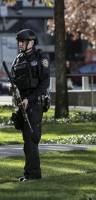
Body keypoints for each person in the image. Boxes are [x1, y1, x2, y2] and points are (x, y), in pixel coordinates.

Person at [11, 29, 50, 182]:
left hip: (35, 103)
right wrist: (12, 89)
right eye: (19, 41)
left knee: (31, 139)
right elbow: (15, 81)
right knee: (27, 140)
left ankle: (33, 175)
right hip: (22, 104)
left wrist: (30, 99)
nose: (20, 44)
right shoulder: (18, 59)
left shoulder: (41, 58)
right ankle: (30, 173)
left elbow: (44, 83)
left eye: (23, 41)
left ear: (31, 42)